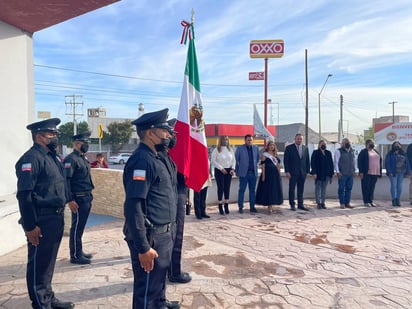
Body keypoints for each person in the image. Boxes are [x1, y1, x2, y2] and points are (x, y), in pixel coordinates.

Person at [15, 118, 76, 309]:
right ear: (39, 136)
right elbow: (24, 195)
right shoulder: (31, 159)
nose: (55, 137)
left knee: (48, 262)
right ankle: (41, 303)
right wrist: (30, 226)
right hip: (41, 218)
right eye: (51, 134)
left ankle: (48, 297)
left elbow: (58, 185)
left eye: (55, 134)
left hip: (55, 217)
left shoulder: (52, 157)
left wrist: (68, 199)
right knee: (38, 264)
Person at [123, 108, 179, 309]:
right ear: (150, 133)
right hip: (151, 235)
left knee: (157, 284)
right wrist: (143, 247)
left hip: (163, 232)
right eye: (163, 131)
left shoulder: (156, 157)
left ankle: (160, 304)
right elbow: (133, 205)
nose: (168, 135)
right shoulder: (142, 161)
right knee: (146, 290)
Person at [164, 119, 192, 287]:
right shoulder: (157, 157)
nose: (173, 137)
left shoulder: (169, 155)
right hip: (167, 202)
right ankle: (172, 272)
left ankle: (173, 270)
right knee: (169, 238)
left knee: (175, 236)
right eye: (170, 134)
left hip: (177, 194)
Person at [64, 132, 95, 265]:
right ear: (76, 144)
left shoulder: (83, 158)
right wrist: (70, 200)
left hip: (86, 197)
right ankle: (75, 255)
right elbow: (66, 181)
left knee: (80, 227)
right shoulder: (71, 159)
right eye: (84, 143)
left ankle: (79, 251)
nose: (86, 145)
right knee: (76, 227)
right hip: (78, 199)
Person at [255, 140, 283, 214]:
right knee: (268, 190)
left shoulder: (275, 155)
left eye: (273, 145)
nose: (272, 146)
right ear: (268, 146)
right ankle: (269, 206)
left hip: (274, 175)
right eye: (270, 145)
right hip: (267, 175)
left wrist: (279, 174)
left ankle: (272, 204)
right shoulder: (265, 155)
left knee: (274, 189)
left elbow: (278, 166)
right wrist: (263, 176)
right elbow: (263, 166)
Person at [283, 133, 310, 211]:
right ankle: (292, 205)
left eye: (301, 139)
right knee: (292, 189)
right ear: (295, 139)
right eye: (298, 139)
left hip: (302, 173)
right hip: (292, 172)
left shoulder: (305, 148)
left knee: (301, 189)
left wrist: (307, 171)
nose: (299, 140)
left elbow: (307, 160)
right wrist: (287, 171)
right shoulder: (289, 148)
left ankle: (300, 204)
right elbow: (286, 161)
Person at [235, 134, 260, 213]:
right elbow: (236, 160)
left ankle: (252, 207)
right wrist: (237, 171)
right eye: (248, 140)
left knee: (252, 191)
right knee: (242, 190)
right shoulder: (240, 148)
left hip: (253, 173)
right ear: (245, 140)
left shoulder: (256, 148)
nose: (250, 141)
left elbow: (258, 159)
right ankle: (240, 207)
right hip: (243, 174)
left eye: (251, 140)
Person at [211, 136, 235, 215]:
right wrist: (221, 168)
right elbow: (213, 161)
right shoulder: (217, 150)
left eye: (227, 139)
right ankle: (220, 204)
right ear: (221, 140)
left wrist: (232, 168)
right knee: (220, 187)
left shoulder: (230, 149)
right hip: (219, 170)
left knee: (227, 187)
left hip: (229, 170)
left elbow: (233, 160)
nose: (226, 141)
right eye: (224, 139)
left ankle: (226, 204)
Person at [310, 140, 334, 209]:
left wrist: (331, 175)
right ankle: (318, 203)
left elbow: (331, 164)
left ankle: (323, 202)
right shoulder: (315, 153)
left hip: (326, 174)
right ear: (319, 145)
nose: (324, 145)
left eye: (325, 144)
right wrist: (314, 173)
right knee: (318, 189)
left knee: (324, 189)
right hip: (318, 174)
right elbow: (313, 163)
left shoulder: (328, 153)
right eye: (322, 144)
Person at [385, 141, 411, 206]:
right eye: (395, 145)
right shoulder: (390, 154)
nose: (397, 146)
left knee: (399, 186)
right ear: (393, 146)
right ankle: (393, 199)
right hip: (393, 173)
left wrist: (408, 172)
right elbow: (387, 163)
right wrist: (389, 171)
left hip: (401, 173)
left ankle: (398, 199)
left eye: (398, 145)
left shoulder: (404, 153)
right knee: (393, 186)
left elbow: (407, 163)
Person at [358, 139, 382, 207]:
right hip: (366, 173)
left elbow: (380, 161)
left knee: (372, 187)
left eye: (373, 143)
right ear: (367, 144)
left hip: (375, 173)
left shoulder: (375, 151)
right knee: (366, 187)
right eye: (371, 143)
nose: (372, 144)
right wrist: (361, 172)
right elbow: (360, 162)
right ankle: (366, 201)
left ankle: (371, 200)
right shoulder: (363, 152)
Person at [334, 138, 356, 209]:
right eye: (346, 142)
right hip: (342, 174)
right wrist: (337, 171)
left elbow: (354, 161)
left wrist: (355, 170)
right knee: (341, 189)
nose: (347, 144)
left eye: (348, 142)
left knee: (349, 189)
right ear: (342, 144)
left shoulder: (352, 151)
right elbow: (336, 162)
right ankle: (342, 203)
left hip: (350, 173)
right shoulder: (338, 151)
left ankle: (347, 203)